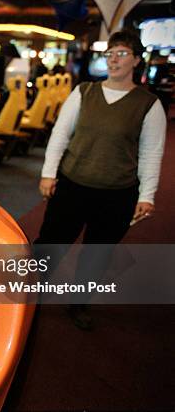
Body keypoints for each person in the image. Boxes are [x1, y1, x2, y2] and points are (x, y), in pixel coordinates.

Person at [35, 30, 167, 329]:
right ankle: (30, 293)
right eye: (110, 53)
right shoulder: (84, 92)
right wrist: (48, 173)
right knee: (50, 244)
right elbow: (59, 135)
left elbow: (151, 153)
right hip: (72, 185)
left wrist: (147, 195)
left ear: (136, 59)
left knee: (98, 253)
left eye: (121, 53)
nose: (113, 59)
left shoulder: (148, 104)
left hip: (117, 194)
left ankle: (78, 303)